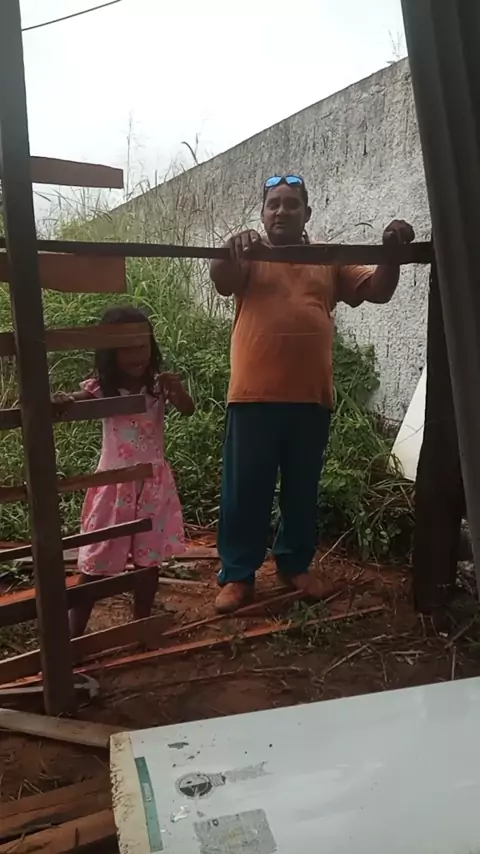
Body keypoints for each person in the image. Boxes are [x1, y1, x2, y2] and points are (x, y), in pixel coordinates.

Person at [210, 173, 414, 613]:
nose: (281, 211)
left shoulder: (327, 258)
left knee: (301, 491)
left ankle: (294, 565)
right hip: (252, 397)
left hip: (310, 398)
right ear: (262, 214)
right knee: (245, 491)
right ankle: (238, 575)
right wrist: (230, 248)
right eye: (273, 204)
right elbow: (222, 280)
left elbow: (377, 290)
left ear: (307, 213)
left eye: (291, 204)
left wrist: (391, 254)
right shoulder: (249, 253)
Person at [53, 305, 195, 636]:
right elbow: (77, 399)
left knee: (148, 563)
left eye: (142, 346)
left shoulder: (158, 386)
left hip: (152, 486)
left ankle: (141, 629)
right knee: (96, 562)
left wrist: (178, 391)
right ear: (109, 352)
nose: (137, 355)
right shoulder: (102, 389)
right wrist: (62, 400)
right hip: (113, 486)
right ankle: (73, 637)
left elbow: (187, 410)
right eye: (126, 348)